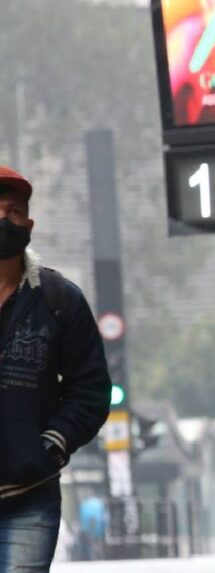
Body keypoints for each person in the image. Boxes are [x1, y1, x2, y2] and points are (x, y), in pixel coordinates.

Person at [0, 166, 111, 571]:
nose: (3, 220)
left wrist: (53, 444)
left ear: (29, 224)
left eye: (13, 212)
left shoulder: (58, 300)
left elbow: (92, 389)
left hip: (30, 499)